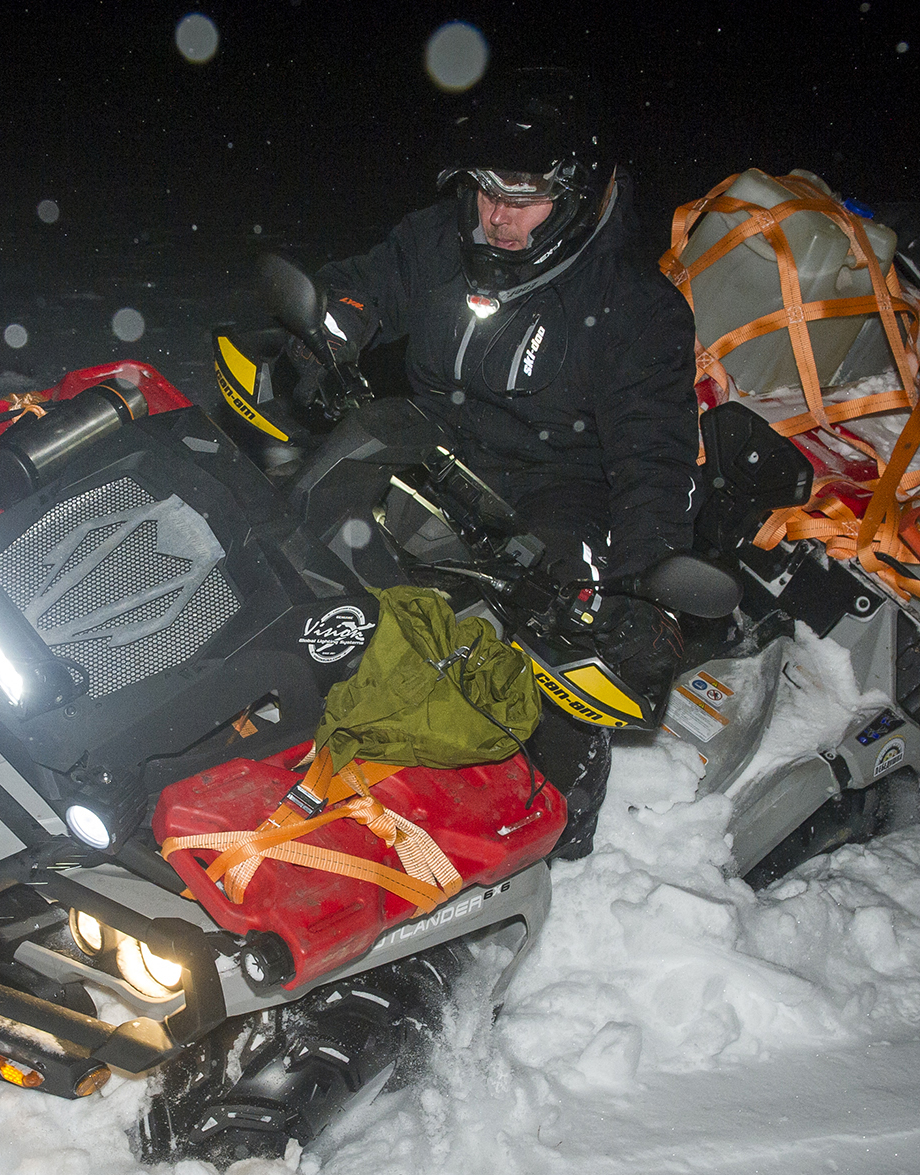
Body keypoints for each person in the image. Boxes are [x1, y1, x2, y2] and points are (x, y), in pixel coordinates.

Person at [293, 68, 701, 859]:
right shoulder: (440, 240)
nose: (496, 217)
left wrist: (649, 588)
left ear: (578, 195)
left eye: (524, 198)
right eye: (485, 191)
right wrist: (325, 333)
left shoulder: (636, 309)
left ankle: (554, 824)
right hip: (430, 445)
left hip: (557, 486)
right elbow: (364, 287)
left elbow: (653, 459)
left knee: (566, 638)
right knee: (304, 526)